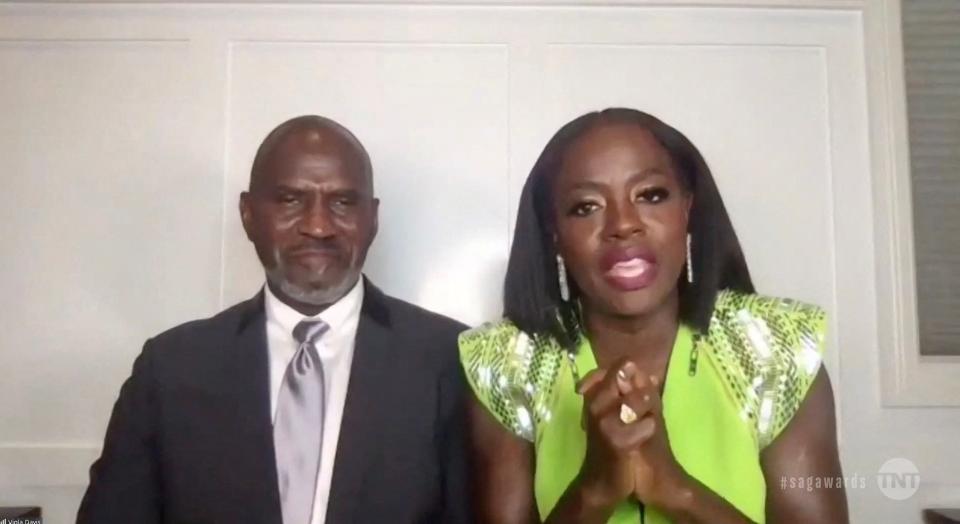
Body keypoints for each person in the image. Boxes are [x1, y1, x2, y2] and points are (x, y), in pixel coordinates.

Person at [460, 108, 848, 523]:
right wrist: (595, 487)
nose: (623, 224)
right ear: (554, 234)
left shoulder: (775, 349)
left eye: (651, 195)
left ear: (688, 211)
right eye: (585, 206)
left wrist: (675, 488)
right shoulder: (507, 362)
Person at [78, 115, 471, 524]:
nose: (318, 226)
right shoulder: (169, 370)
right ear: (248, 214)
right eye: (290, 200)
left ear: (372, 219)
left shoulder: (448, 359)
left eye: (342, 201)